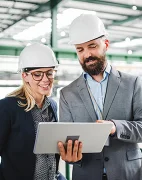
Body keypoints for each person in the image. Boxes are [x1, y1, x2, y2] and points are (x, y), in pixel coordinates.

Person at [58, 13, 142, 180]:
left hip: (128, 174)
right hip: (87, 174)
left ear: (106, 44)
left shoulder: (133, 83)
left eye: (92, 46)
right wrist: (71, 157)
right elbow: (67, 141)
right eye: (80, 49)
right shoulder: (67, 94)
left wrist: (115, 127)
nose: (87, 54)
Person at [0, 43, 66, 180]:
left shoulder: (52, 106)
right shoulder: (7, 107)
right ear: (25, 76)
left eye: (50, 73)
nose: (45, 79)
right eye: (37, 74)